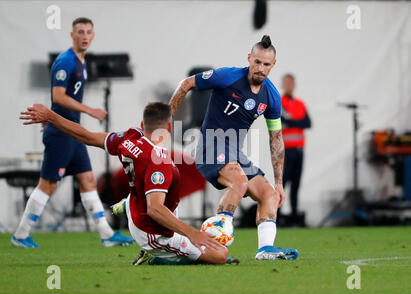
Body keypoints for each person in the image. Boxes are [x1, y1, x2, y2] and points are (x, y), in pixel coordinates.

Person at [19, 102, 228, 265]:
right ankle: (158, 256)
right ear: (169, 128)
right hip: (152, 231)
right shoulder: (159, 162)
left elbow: (86, 136)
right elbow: (155, 209)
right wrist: (192, 233)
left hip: (136, 208)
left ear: (143, 124)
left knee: (151, 193)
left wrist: (51, 117)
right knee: (220, 255)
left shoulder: (129, 138)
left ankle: (127, 206)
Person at [168, 35, 298, 260]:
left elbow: (276, 139)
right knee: (240, 181)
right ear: (249, 58)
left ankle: (265, 249)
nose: (260, 68)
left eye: (266, 64)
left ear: (273, 65)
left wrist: (279, 183)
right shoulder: (227, 76)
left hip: (236, 154)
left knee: (269, 195)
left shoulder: (272, 96)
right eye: (256, 62)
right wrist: (165, 119)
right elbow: (186, 83)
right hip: (210, 146)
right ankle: (213, 241)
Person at [11, 17, 133, 248]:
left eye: (88, 32)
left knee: (87, 179)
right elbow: (57, 96)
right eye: (80, 32)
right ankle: (20, 234)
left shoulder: (80, 61)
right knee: (48, 184)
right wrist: (89, 110)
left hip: (72, 133)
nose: (85, 36)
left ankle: (106, 234)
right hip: (62, 133)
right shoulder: (66, 61)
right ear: (72, 35)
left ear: (93, 35)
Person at [280, 74, 311, 226]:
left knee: (296, 184)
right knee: (283, 182)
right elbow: (283, 120)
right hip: (286, 150)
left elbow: (307, 123)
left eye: (291, 83)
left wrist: (293, 121)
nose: (289, 86)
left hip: (299, 149)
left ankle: (293, 215)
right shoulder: (279, 102)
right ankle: (278, 215)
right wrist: (296, 121)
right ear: (282, 85)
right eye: (286, 83)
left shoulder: (300, 103)